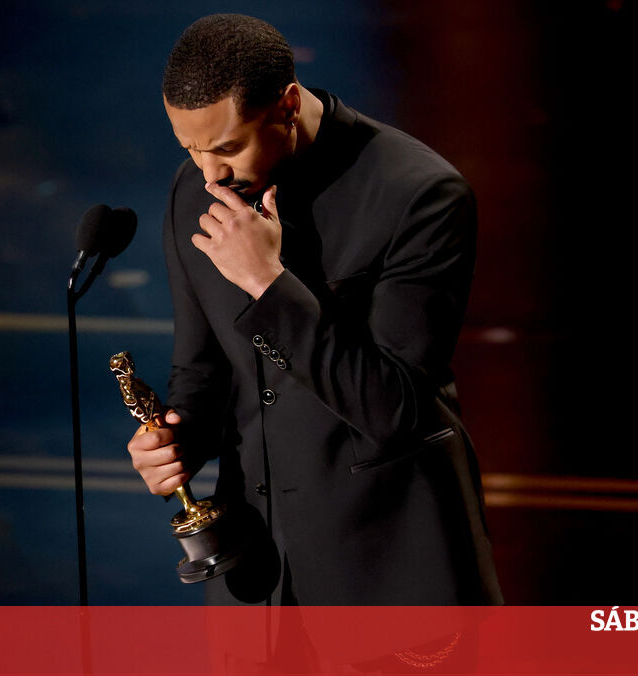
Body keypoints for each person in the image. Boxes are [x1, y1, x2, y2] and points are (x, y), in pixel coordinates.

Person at [126, 13, 502, 606]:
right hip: (256, 578)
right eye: (191, 148)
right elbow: (201, 370)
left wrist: (267, 282)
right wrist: (177, 443)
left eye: (227, 147)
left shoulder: (420, 193)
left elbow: (394, 410)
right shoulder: (192, 189)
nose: (209, 173)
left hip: (390, 571)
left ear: (288, 105)